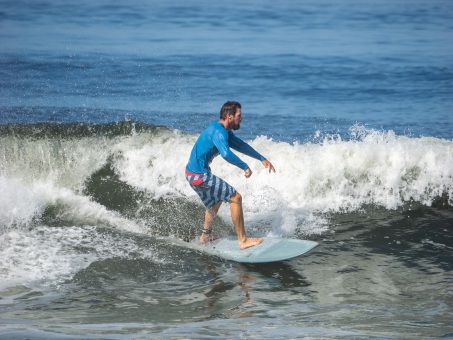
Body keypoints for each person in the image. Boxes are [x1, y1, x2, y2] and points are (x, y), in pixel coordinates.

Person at [185, 101, 276, 250]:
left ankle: (205, 236)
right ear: (229, 116)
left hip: (191, 174)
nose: (242, 119)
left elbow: (240, 145)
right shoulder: (219, 131)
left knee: (216, 201)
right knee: (235, 197)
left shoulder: (223, 131)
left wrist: (261, 158)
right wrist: (244, 166)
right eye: (239, 116)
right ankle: (243, 240)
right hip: (199, 175)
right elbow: (226, 154)